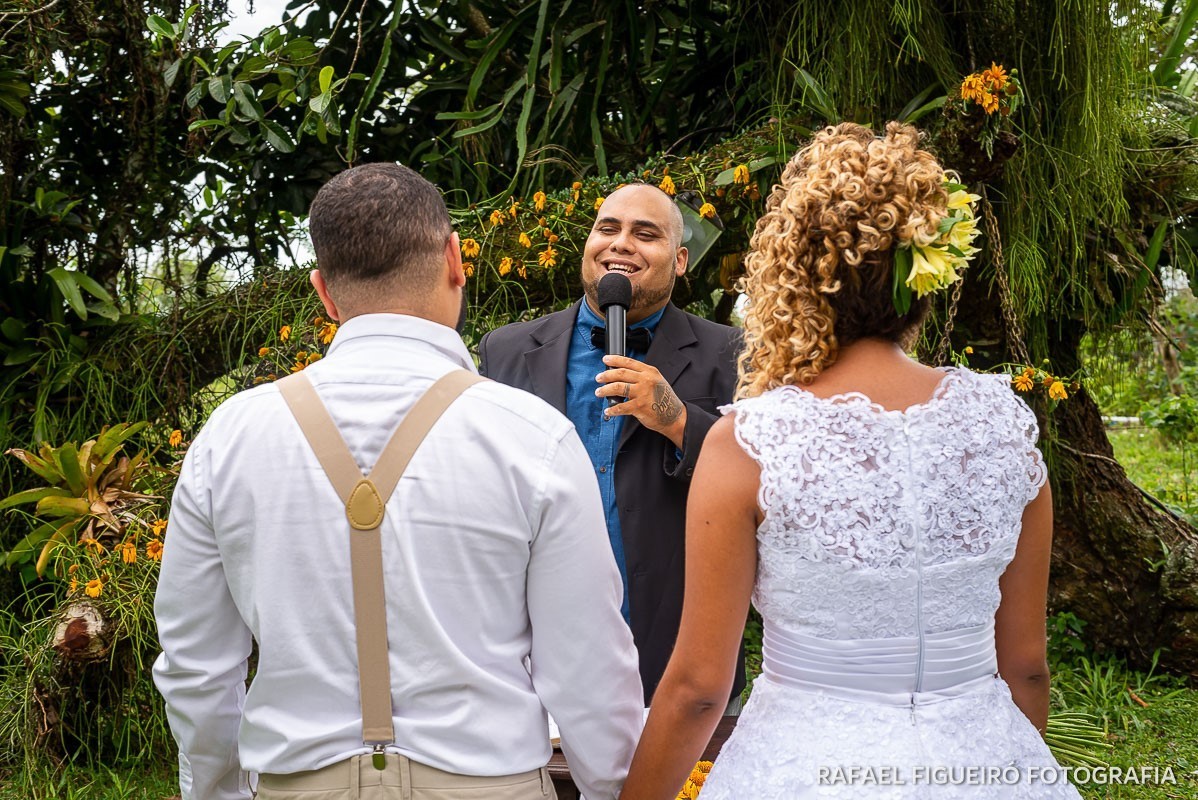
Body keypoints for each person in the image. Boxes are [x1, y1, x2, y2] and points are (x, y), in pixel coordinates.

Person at [619, 123, 1082, 798]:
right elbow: (1028, 667)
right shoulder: (1004, 426)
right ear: (926, 278)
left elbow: (697, 689)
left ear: (795, 277)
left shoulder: (751, 441)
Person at [152, 163, 643, 800]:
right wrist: (613, 789)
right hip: (487, 786)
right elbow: (588, 666)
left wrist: (218, 792)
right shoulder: (532, 435)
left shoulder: (232, 435)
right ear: (455, 260)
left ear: (324, 292)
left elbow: (196, 667)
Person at [478, 183, 744, 706]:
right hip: (535, 659)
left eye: (646, 234)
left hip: (678, 656)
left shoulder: (732, 354)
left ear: (680, 261)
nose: (621, 243)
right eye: (608, 229)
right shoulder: (506, 350)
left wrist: (678, 420)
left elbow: (765, 479)